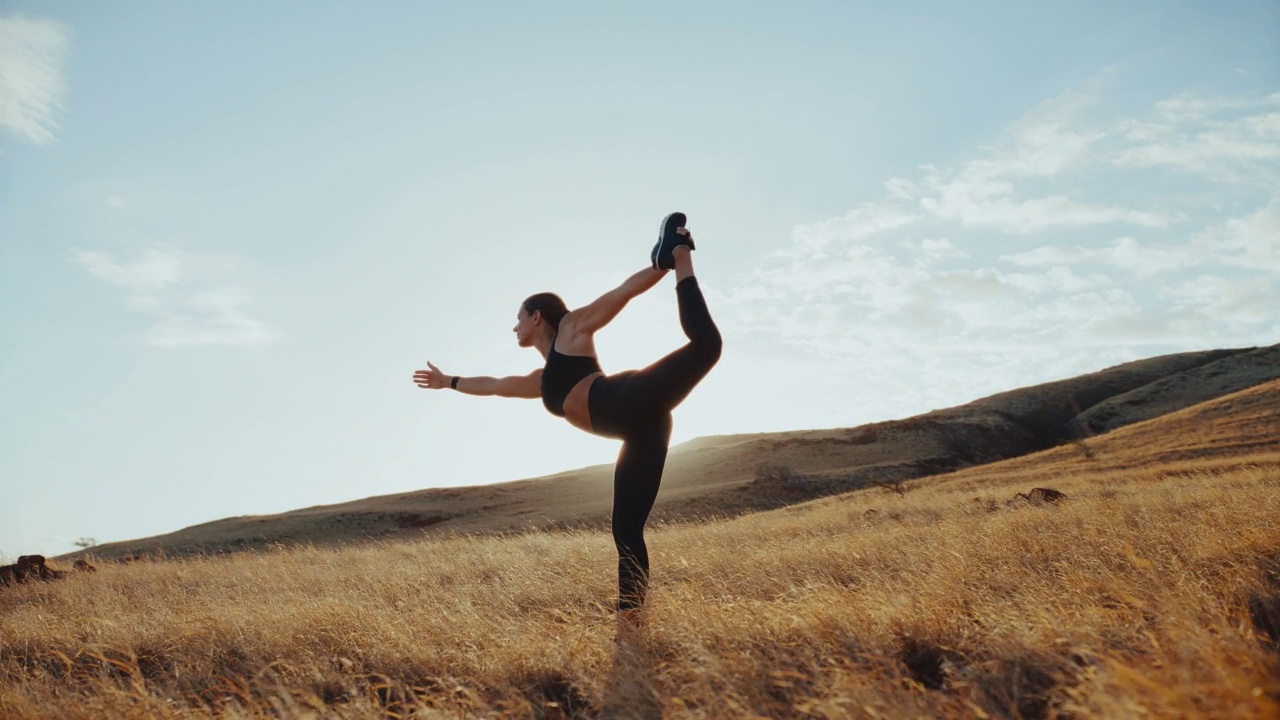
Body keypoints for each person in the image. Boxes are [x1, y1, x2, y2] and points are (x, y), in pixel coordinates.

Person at [412, 212, 722, 621]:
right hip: (641, 430)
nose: (514, 327)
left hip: (626, 399)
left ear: (536, 316)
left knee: (707, 345)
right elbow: (494, 384)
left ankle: (678, 253)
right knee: (625, 529)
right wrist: (447, 381)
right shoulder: (542, 379)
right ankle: (630, 617)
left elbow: (622, 293)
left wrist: (659, 266)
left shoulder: (572, 332)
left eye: (518, 318)